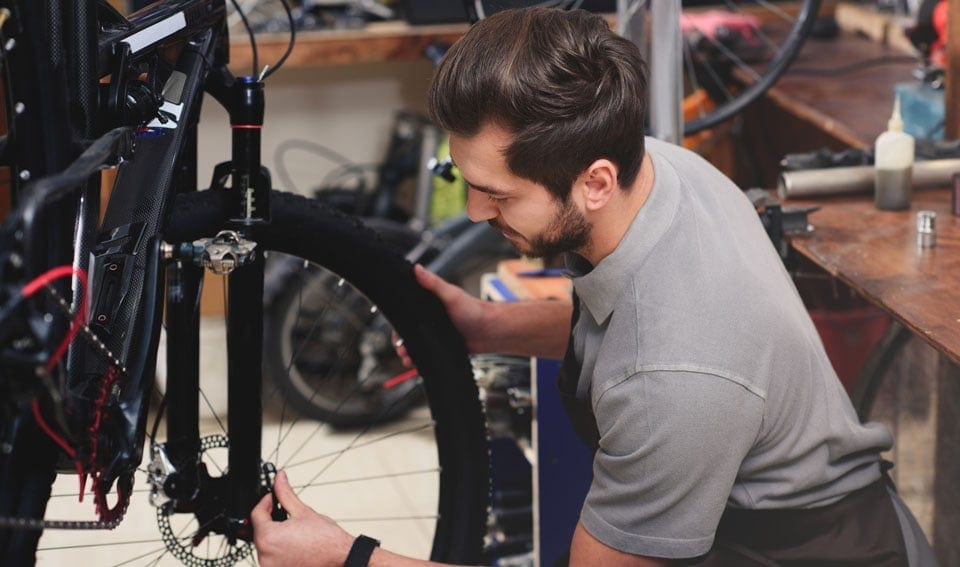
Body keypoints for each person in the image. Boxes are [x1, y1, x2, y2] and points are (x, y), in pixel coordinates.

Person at [252, 7, 937, 566]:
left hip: (805, 550)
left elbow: (659, 360)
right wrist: (488, 324)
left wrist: (346, 558)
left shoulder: (675, 380)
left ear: (594, 182)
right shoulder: (658, 172)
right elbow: (621, 324)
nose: (473, 215)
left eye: (497, 194)